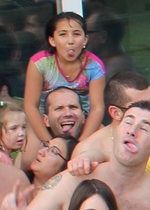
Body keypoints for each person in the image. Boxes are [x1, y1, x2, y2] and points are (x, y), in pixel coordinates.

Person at [23, 11, 106, 143]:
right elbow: (30, 106)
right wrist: (51, 143)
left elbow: (97, 108)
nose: (70, 41)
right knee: (31, 151)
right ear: (52, 40)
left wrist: (79, 143)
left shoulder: (94, 66)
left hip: (82, 125)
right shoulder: (39, 63)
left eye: (76, 34)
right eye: (63, 34)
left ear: (85, 40)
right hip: (44, 125)